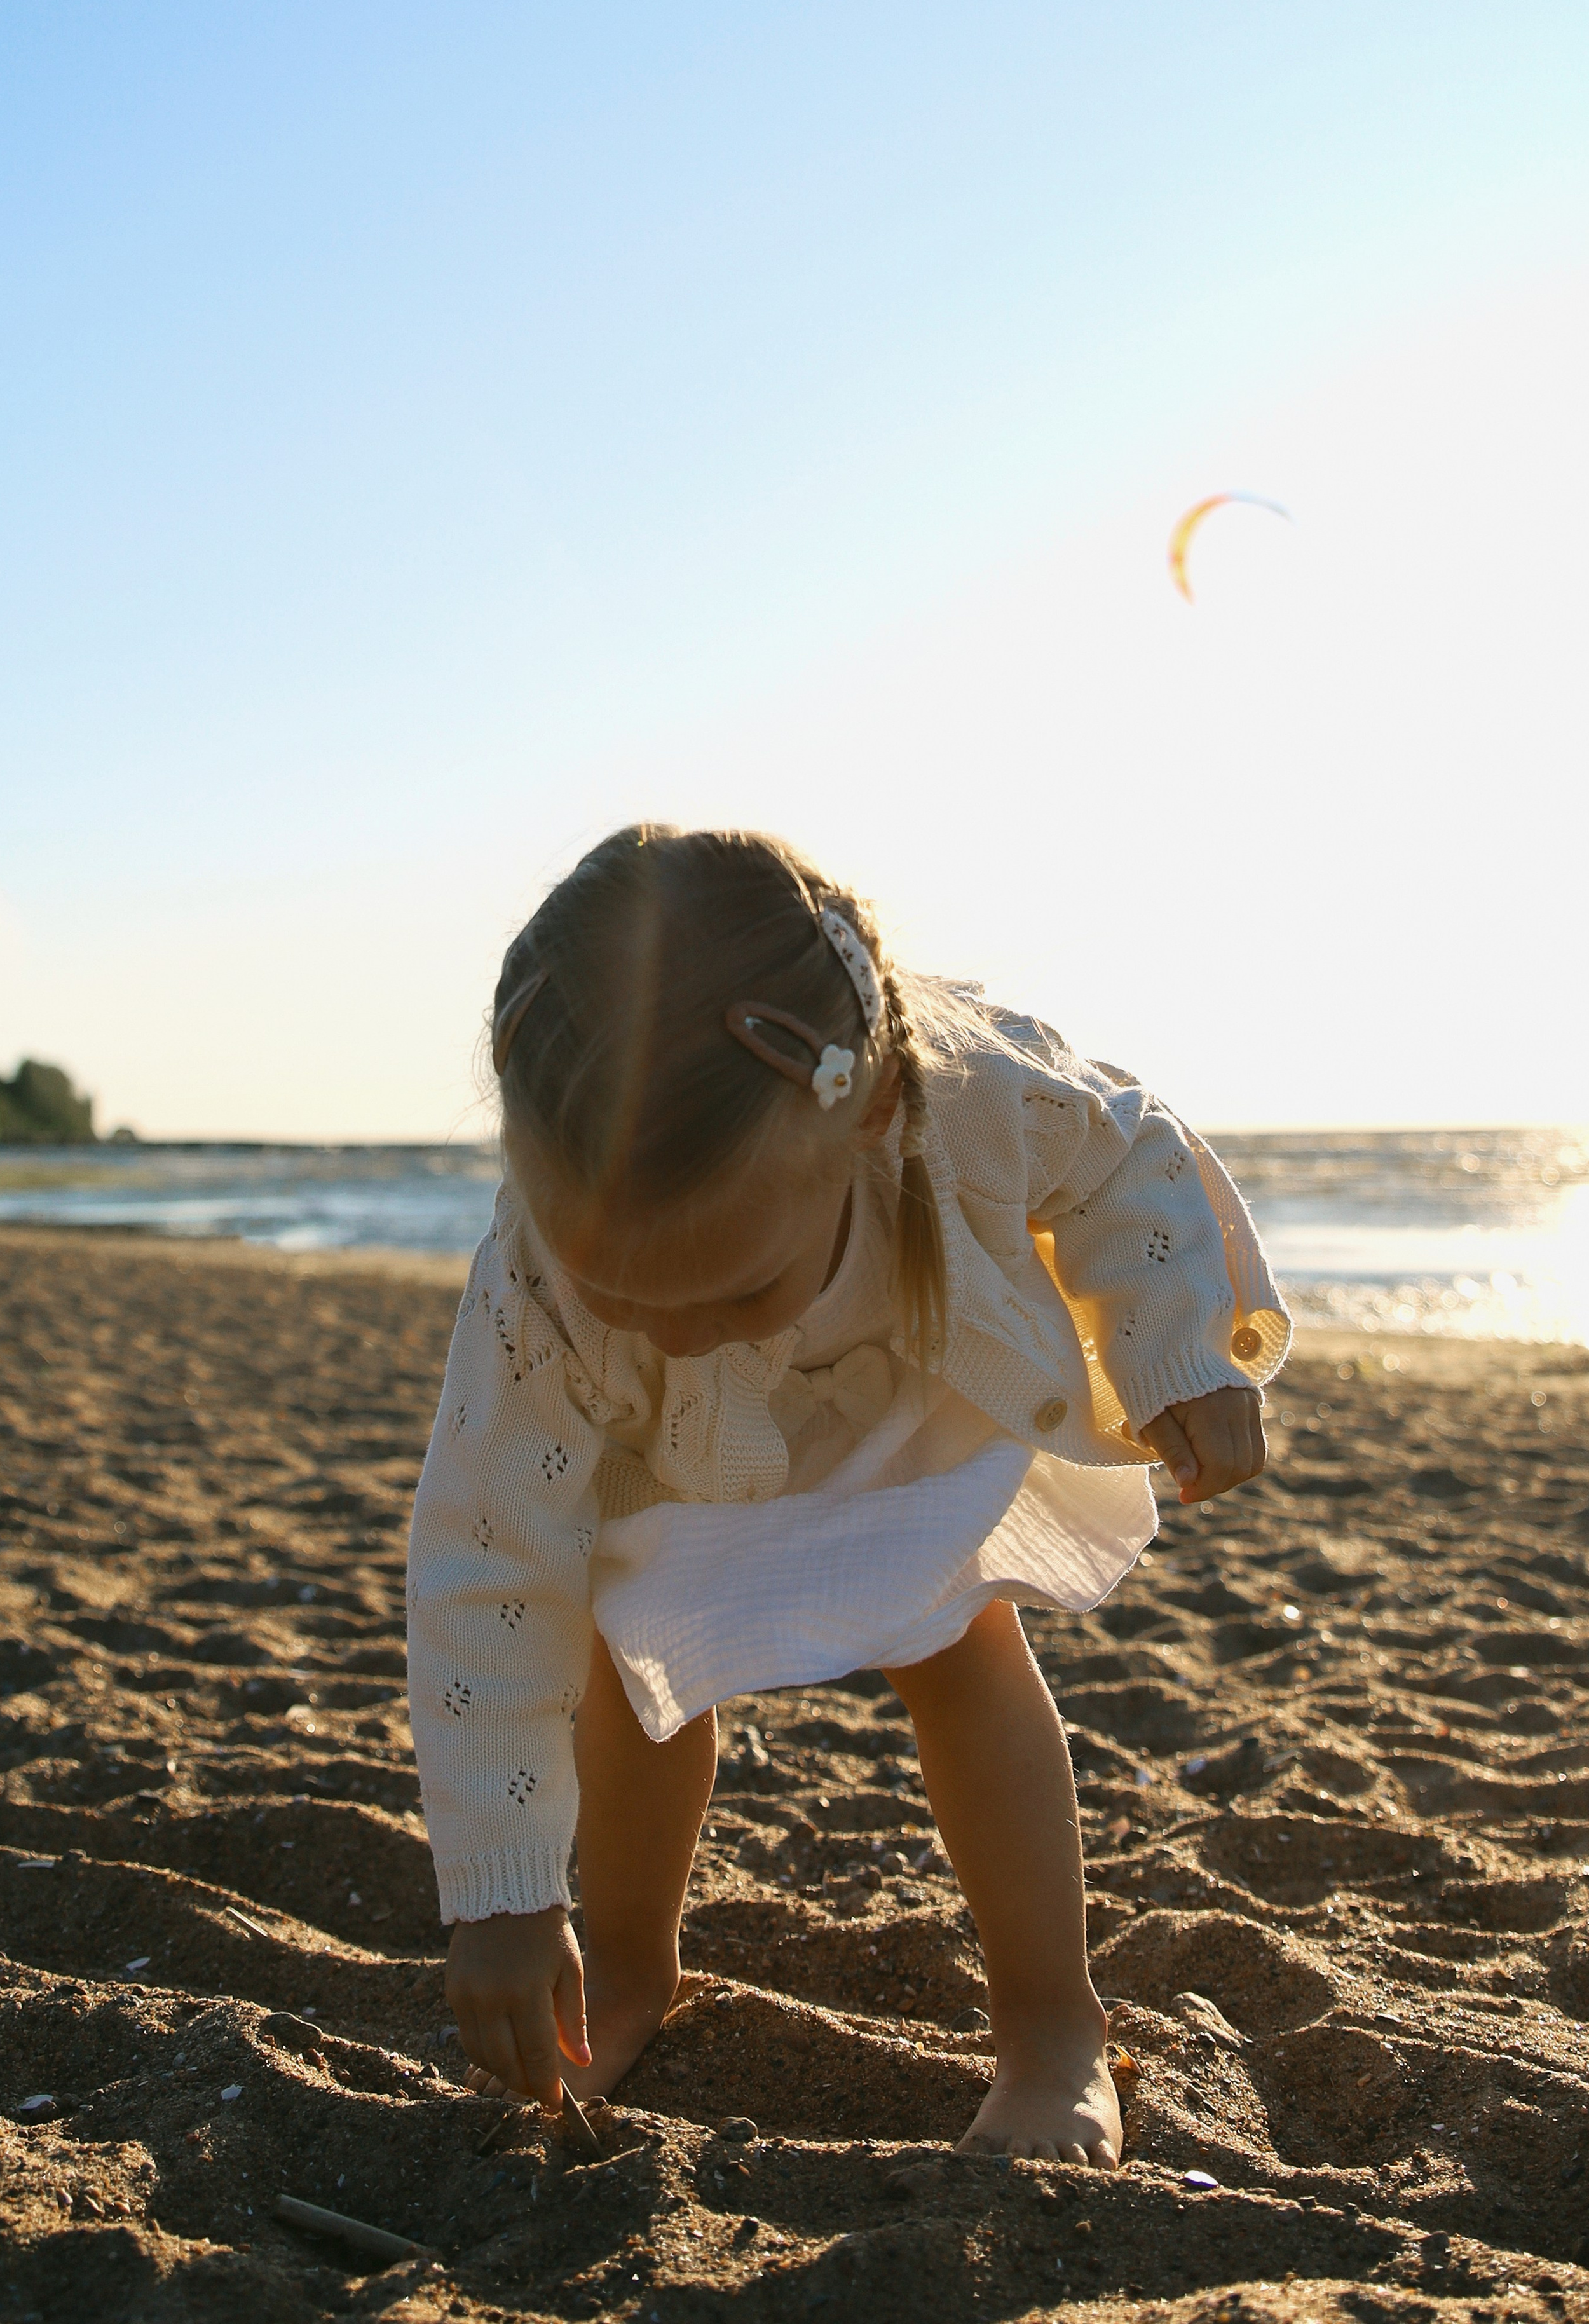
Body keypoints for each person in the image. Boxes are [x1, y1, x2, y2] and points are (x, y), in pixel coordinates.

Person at [407, 826, 1288, 2164]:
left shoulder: (966, 1096)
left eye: (731, 1288)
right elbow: (486, 1566)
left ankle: (1053, 2030)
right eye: (620, 1292)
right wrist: (503, 1892)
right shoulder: (533, 1288)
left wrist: (1178, 1350)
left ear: (866, 1115)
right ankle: (633, 1974)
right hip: (679, 1460)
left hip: (904, 1401)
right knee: (631, 1684)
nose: (675, 1329)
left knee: (959, 1655)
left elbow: (1128, 1153)